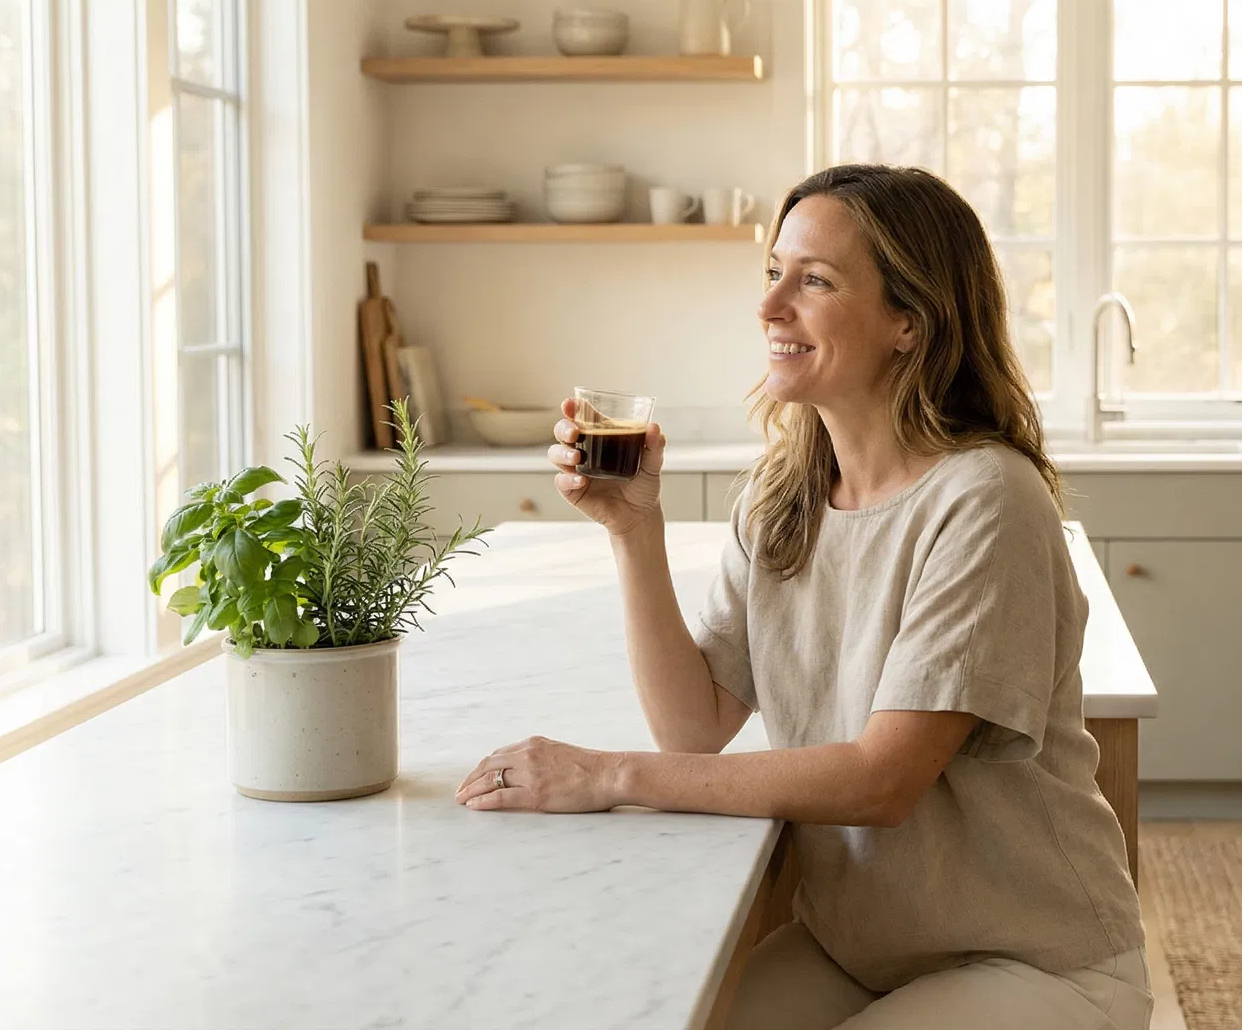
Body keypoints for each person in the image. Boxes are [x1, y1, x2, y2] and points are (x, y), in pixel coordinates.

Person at [454, 163, 1151, 1029]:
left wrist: (607, 774)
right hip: (857, 949)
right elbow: (694, 726)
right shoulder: (784, 494)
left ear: (909, 322)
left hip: (1032, 959)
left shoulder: (986, 500)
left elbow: (881, 782)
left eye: (813, 280)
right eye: (773, 272)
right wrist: (633, 529)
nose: (770, 305)